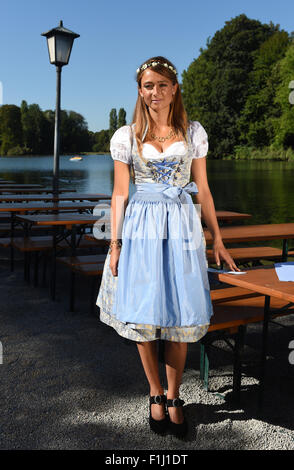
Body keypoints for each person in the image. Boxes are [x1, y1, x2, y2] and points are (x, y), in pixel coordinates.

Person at [96, 56, 240, 438]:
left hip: (181, 227)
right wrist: (115, 242)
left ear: (174, 88)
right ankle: (155, 392)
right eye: (148, 86)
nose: (155, 92)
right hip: (142, 226)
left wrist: (218, 239)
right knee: (145, 316)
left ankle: (175, 395)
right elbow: (120, 193)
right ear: (140, 91)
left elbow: (204, 190)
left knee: (180, 314)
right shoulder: (127, 136)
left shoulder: (193, 133)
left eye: (162, 84)